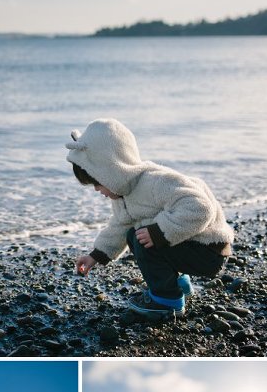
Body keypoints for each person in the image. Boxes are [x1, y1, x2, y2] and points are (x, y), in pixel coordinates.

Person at [67, 119, 234, 320]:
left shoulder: (156, 181)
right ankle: (178, 284)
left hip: (209, 250)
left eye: (97, 182)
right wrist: (95, 256)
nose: (96, 190)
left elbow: (201, 208)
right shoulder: (123, 193)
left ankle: (167, 300)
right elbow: (118, 226)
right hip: (189, 246)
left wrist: (159, 232)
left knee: (144, 237)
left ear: (112, 170)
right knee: (133, 235)